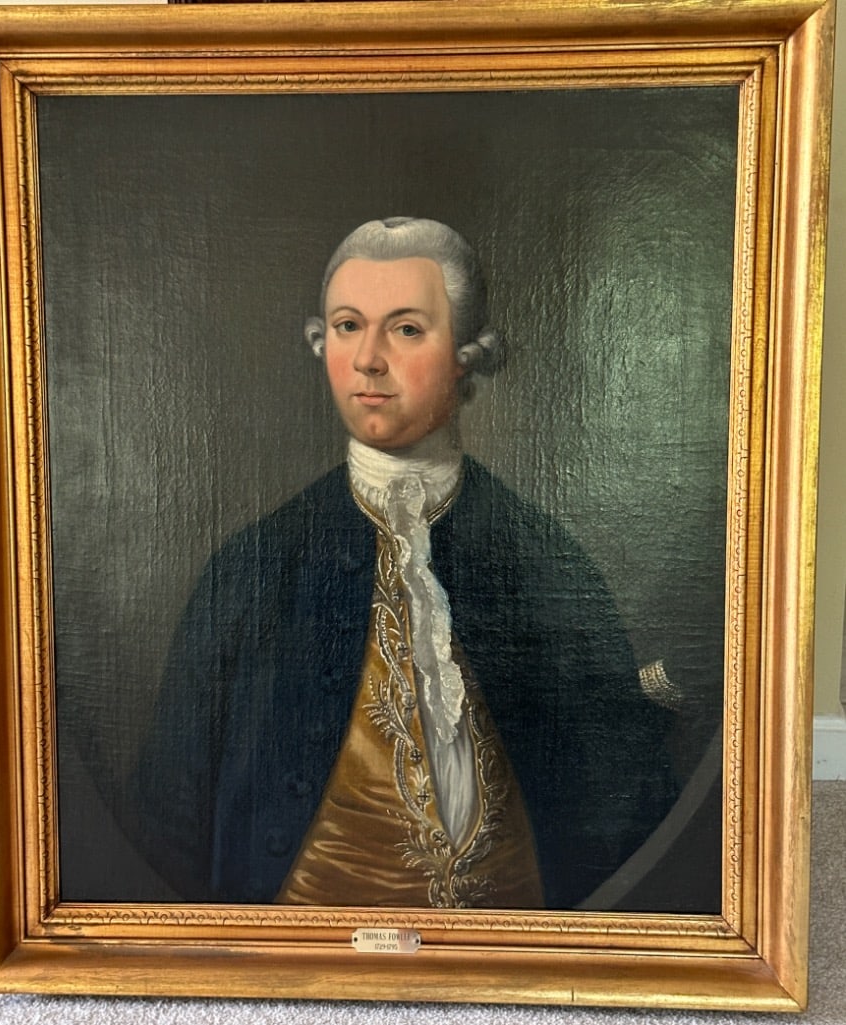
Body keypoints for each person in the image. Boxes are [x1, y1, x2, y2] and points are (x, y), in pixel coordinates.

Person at [132, 217, 677, 910]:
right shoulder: (251, 570)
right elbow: (170, 817)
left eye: (407, 329)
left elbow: (624, 805)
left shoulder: (544, 561)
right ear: (320, 341)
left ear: (469, 355)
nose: (368, 359)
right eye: (350, 325)